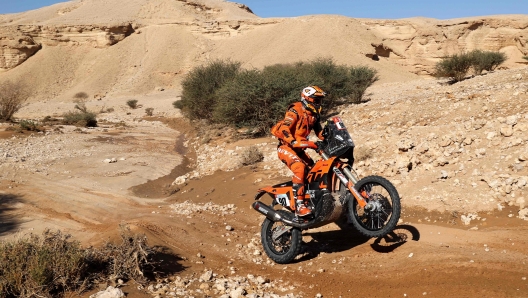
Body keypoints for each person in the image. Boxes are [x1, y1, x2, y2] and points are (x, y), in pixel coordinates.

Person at [273, 86, 326, 217]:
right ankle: (299, 205)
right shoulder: (295, 111)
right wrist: (291, 141)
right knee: (300, 168)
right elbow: (285, 127)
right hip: (287, 147)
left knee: (315, 171)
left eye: (320, 101)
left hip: (300, 150)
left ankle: (313, 200)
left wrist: (331, 134)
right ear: (307, 99)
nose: (318, 103)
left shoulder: (313, 116)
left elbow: (320, 134)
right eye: (316, 100)